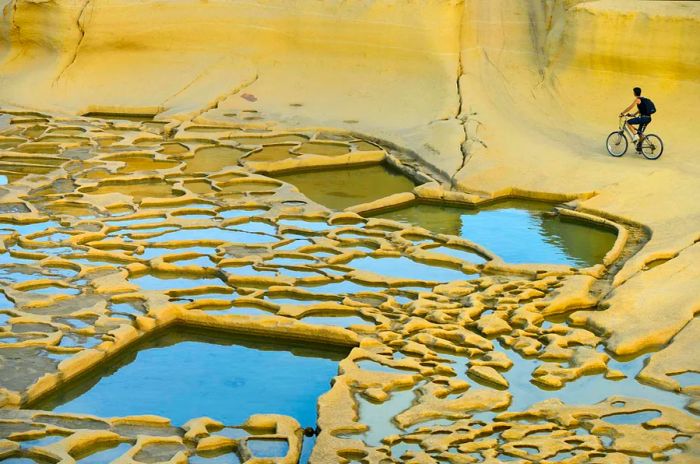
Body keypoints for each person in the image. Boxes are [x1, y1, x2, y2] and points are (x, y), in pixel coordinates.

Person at [619, 87, 652, 152]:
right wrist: (633, 114)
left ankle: (635, 136)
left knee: (628, 122)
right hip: (648, 118)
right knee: (640, 133)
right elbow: (641, 110)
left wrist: (622, 113)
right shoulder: (643, 99)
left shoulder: (637, 99)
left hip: (643, 118)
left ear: (634, 93)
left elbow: (630, 107)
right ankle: (640, 148)